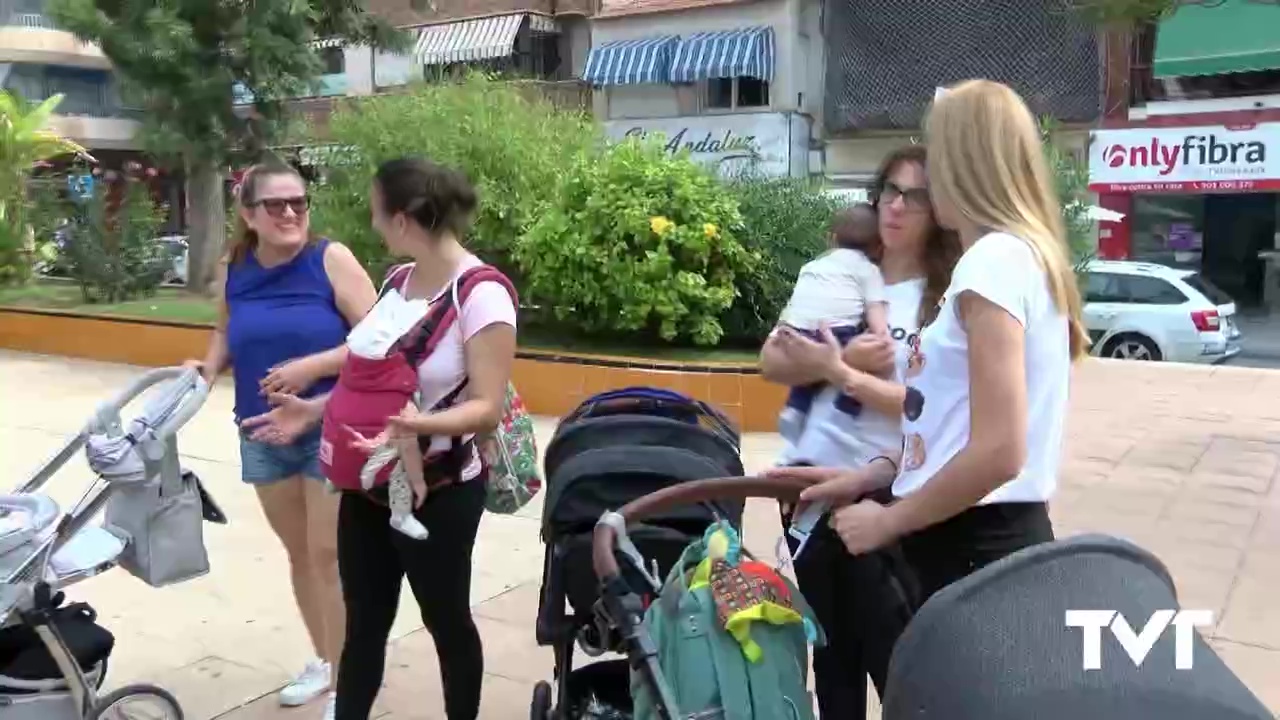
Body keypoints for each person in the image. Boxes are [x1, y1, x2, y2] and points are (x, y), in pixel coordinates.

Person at [772, 79, 1088, 604]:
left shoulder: (995, 263)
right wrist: (874, 476)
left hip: (972, 547)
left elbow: (1000, 452)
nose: (931, 169)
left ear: (965, 161)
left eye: (938, 151)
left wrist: (889, 521)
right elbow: (953, 425)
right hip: (975, 538)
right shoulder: (1018, 258)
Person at [241, 157, 518, 720]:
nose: (370, 224)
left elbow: (487, 409)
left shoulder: (481, 294)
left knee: (446, 621)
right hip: (370, 484)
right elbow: (370, 378)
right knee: (363, 622)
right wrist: (315, 410)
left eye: (375, 212)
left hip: (440, 489)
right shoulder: (397, 283)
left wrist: (416, 427)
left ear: (402, 220)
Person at [759, 145, 961, 720]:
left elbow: (929, 409)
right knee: (832, 663)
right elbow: (773, 360)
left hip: (886, 494)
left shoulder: (943, 298)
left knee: (896, 663)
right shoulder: (843, 274)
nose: (896, 207)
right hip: (810, 493)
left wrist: (841, 372)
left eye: (914, 196)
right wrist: (835, 361)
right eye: (888, 192)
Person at [189, 162, 377, 716]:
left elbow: (379, 339)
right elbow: (224, 329)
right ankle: (324, 659)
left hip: (331, 425)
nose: (291, 212)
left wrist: (311, 366)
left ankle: (349, 683)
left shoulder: (330, 259)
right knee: (299, 554)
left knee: (329, 555)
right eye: (276, 204)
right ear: (248, 214)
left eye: (299, 201)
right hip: (261, 429)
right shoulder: (236, 266)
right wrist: (206, 369)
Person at [776, 203, 890, 442]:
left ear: (831, 239)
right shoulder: (868, 269)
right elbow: (875, 306)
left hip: (799, 327)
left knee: (814, 360)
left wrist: (787, 327)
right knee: (866, 359)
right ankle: (845, 410)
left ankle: (795, 409)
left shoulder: (812, 266)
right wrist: (881, 334)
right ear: (879, 247)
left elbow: (799, 300)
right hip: (838, 330)